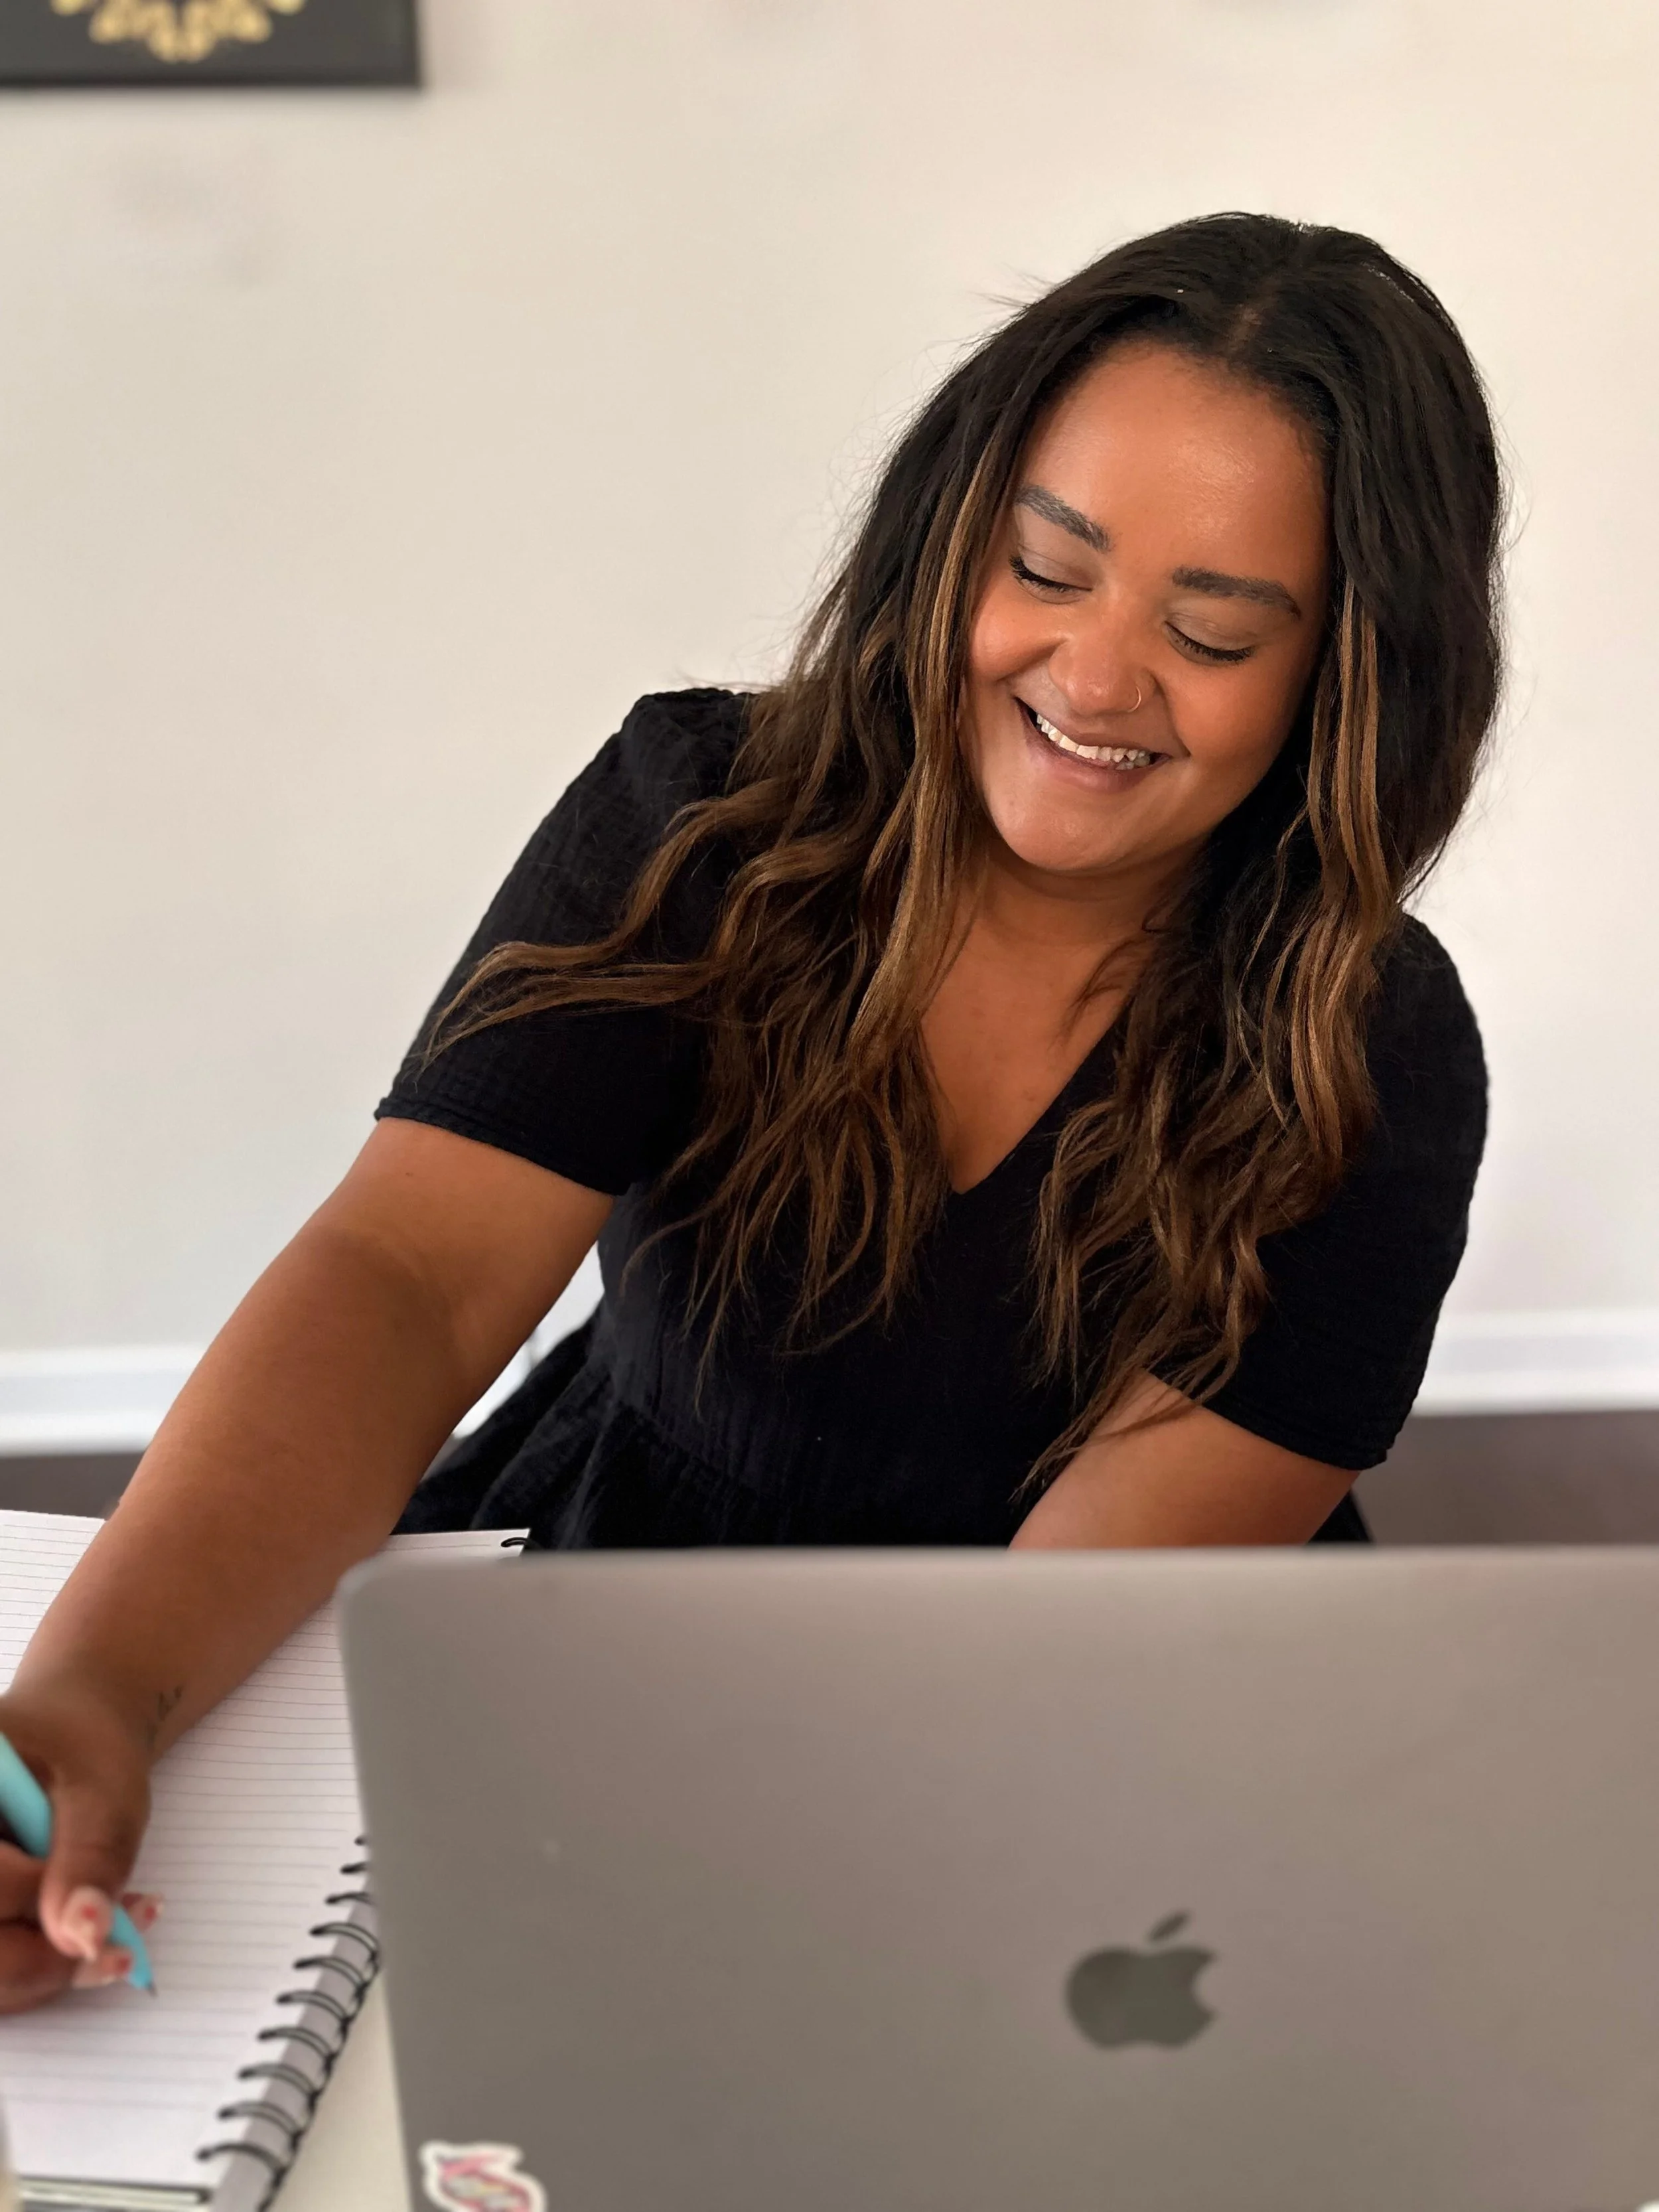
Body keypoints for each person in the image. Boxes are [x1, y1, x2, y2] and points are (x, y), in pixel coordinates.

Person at [0, 212, 1498, 2010]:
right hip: (615, 1572)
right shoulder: (692, 815)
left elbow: (1054, 1651)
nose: (1095, 679)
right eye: (1048, 563)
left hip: (1072, 1698)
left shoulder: (1371, 1051)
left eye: (1210, 630)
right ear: (953, 528)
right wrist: (90, 1689)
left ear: (1349, 673)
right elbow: (408, 1273)